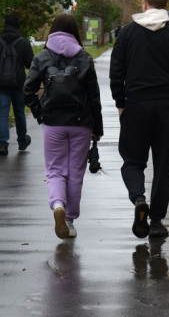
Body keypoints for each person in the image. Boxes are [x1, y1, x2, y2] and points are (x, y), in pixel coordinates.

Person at [109, 0, 169, 239]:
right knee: (164, 164)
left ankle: (138, 199)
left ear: (144, 4)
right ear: (166, 6)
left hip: (136, 105)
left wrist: (120, 102)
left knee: (133, 161)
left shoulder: (126, 34)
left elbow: (117, 72)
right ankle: (156, 221)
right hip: (167, 108)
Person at [24, 13, 103, 239]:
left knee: (55, 170)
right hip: (81, 124)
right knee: (75, 172)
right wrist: (97, 128)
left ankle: (58, 204)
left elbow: (27, 91)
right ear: (74, 32)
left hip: (53, 124)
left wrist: (41, 114)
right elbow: (94, 97)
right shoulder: (85, 58)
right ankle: (70, 220)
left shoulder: (42, 57)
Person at [0, 13, 35, 156]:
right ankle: (23, 140)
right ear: (17, 26)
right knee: (19, 113)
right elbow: (32, 65)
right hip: (18, 85)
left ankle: (3, 144)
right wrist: (32, 84)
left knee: (3, 114)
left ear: (5, 25)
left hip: (2, 85)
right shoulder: (23, 43)